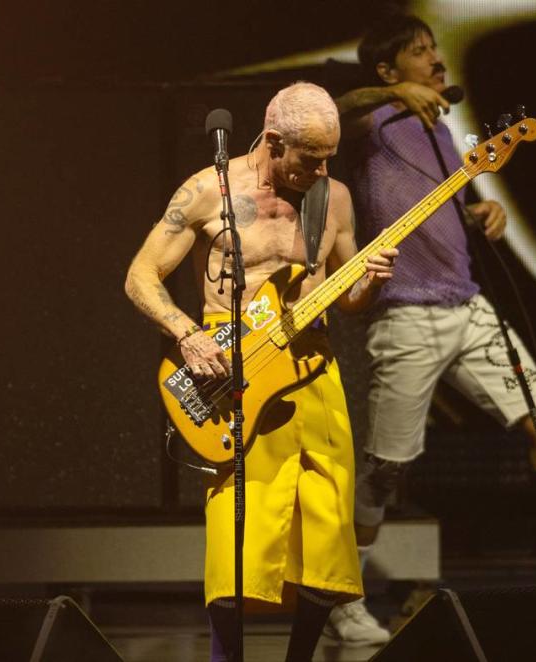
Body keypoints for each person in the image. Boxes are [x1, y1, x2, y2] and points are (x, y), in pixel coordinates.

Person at [325, 14, 536, 644]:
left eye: (436, 50)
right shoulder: (374, 123)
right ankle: (340, 598)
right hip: (406, 315)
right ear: (387, 70)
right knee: (384, 469)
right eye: (420, 53)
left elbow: (443, 202)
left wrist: (481, 209)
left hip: (468, 307)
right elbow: (335, 107)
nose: (436, 61)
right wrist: (389, 97)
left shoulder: (440, 129)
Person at [124, 82, 398, 662]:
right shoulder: (206, 191)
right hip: (235, 374)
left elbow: (347, 300)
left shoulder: (335, 199)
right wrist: (187, 334)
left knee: (327, 526)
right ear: (274, 141)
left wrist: (368, 282)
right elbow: (140, 276)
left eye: (330, 156)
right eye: (309, 157)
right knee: (235, 535)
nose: (322, 169)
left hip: (314, 369)